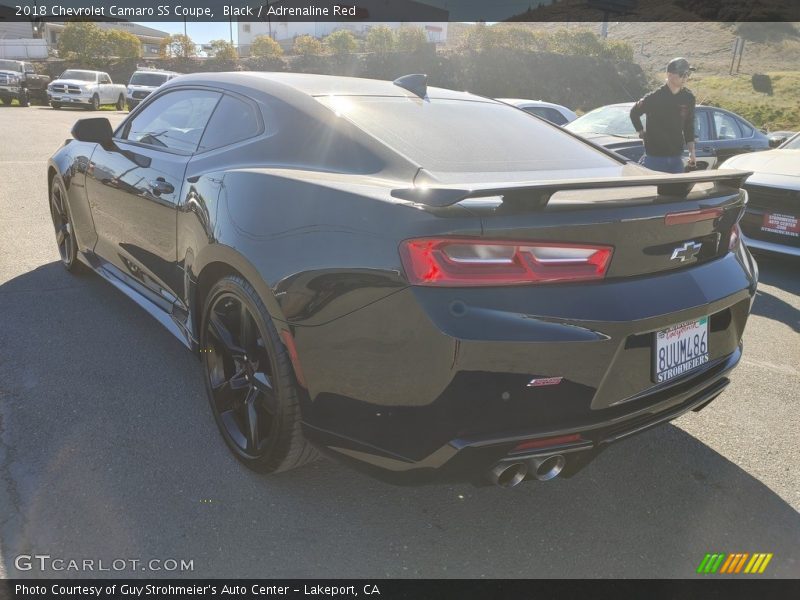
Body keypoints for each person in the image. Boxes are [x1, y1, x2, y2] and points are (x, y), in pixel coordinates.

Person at [630, 57, 697, 173]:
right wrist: (641, 132)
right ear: (669, 75)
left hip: (676, 158)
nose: (685, 77)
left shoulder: (688, 98)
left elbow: (689, 126)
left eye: (688, 74)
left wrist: (692, 152)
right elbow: (634, 113)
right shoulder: (654, 98)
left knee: (677, 186)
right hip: (654, 158)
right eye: (682, 74)